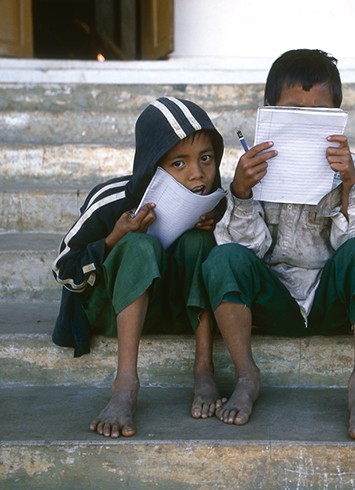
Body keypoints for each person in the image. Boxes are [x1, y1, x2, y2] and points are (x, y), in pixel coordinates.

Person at [202, 49, 355, 440]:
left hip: (331, 300)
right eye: (293, 110)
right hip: (271, 301)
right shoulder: (255, 166)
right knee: (223, 258)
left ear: (338, 116)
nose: (306, 122)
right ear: (270, 109)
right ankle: (246, 375)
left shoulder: (349, 166)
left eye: (319, 113)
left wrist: (348, 187)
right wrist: (240, 192)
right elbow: (246, 252)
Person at [52, 96, 227, 437]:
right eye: (179, 164)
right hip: (111, 312)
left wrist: (216, 227)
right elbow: (63, 270)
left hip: (172, 310)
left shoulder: (214, 200)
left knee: (200, 242)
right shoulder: (112, 199)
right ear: (152, 165)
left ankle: (204, 369)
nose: (197, 173)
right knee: (139, 245)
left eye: (206, 158)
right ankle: (125, 384)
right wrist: (113, 238)